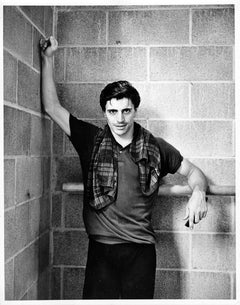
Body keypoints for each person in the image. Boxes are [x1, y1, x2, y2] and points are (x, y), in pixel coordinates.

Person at [40, 36, 208, 299]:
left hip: (140, 252)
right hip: (101, 251)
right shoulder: (91, 141)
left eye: (126, 111)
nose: (120, 119)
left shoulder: (156, 146)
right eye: (113, 111)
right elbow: (52, 107)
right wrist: (48, 58)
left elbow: (194, 173)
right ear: (105, 113)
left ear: (135, 110)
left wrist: (198, 192)